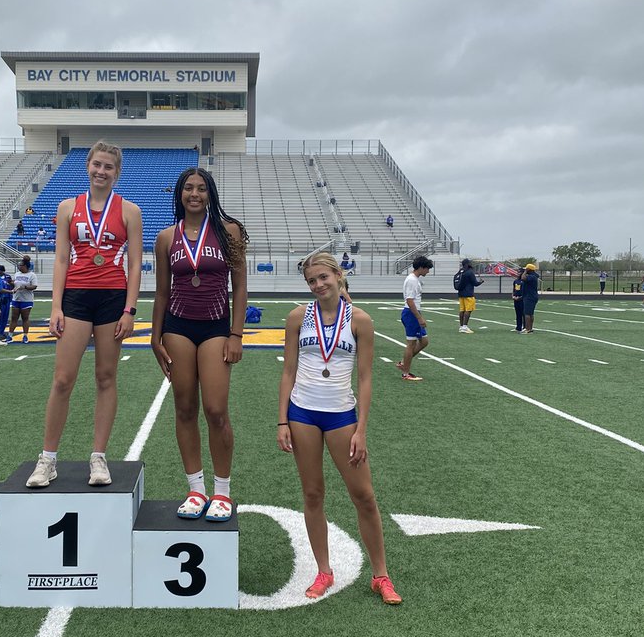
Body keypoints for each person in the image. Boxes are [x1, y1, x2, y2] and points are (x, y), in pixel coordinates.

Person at [277, 252, 401, 604]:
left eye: (322, 278)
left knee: (364, 496)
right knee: (313, 494)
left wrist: (361, 429)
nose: (318, 285)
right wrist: (282, 419)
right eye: (311, 281)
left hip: (342, 416)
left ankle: (381, 575)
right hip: (303, 414)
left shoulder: (360, 320)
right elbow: (288, 371)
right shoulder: (297, 317)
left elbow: (364, 378)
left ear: (337, 275)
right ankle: (323, 570)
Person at [27, 141, 143, 489]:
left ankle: (99, 457)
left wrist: (130, 309)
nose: (101, 171)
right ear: (87, 166)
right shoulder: (67, 207)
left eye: (108, 166)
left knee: (106, 377)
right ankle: (47, 459)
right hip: (76, 298)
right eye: (96, 165)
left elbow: (137, 263)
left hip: (112, 299)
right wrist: (56, 306)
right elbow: (61, 259)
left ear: (117, 172)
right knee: (63, 379)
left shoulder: (130, 211)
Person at [151, 168, 248, 522]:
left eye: (201, 188)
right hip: (177, 327)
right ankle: (195, 489)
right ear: (179, 193)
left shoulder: (229, 231)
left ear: (211, 194)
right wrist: (154, 335)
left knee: (216, 409)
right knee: (184, 407)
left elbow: (239, 287)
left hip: (216, 327)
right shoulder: (165, 238)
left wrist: (236, 334)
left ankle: (222, 491)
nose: (195, 193)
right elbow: (162, 292)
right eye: (188, 188)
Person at [398, 255, 433, 380]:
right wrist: (419, 318)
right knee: (411, 343)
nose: (428, 271)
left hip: (413, 313)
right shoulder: (412, 280)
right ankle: (405, 373)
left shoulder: (415, 279)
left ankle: (403, 362)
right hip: (411, 313)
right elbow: (410, 300)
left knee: (424, 341)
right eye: (427, 269)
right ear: (421, 267)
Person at [6, 255, 38, 343]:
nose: (19, 267)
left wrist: (25, 287)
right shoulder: (17, 274)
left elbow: (34, 286)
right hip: (16, 298)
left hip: (26, 299)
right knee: (13, 318)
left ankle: (25, 336)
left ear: (26, 266)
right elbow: (15, 284)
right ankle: (10, 335)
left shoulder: (32, 275)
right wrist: (10, 283)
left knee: (25, 318)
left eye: (21, 265)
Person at [455, 257, 482, 333]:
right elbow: (475, 283)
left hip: (461, 293)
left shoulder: (460, 271)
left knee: (462, 310)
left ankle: (461, 326)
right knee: (468, 310)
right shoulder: (470, 272)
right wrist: (481, 282)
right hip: (468, 294)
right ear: (467, 264)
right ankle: (465, 326)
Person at [520, 263, 539, 332]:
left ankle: (528, 329)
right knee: (530, 313)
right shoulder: (533, 276)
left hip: (529, 297)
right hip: (531, 296)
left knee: (527, 313)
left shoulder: (532, 276)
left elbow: (523, 278)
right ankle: (530, 328)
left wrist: (525, 272)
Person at [0, 265, 13, 341]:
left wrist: (12, 284)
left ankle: (1, 332)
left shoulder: (8, 277)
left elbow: (12, 286)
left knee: (5, 316)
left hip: (7, 298)